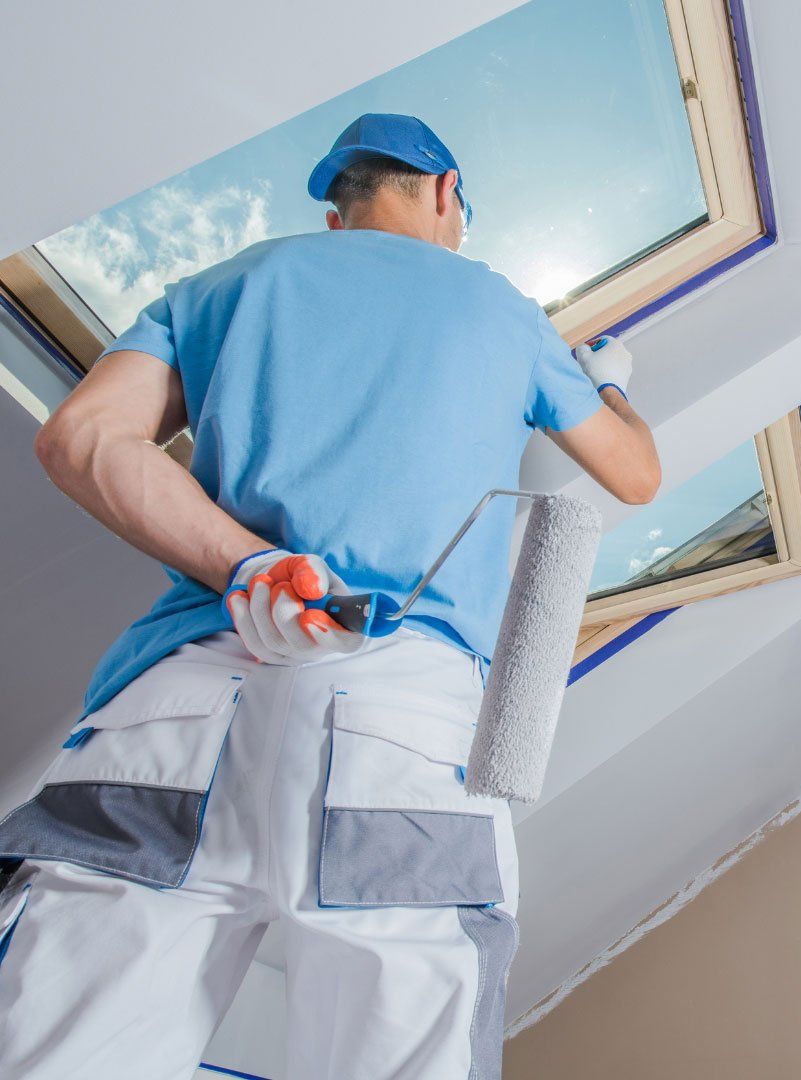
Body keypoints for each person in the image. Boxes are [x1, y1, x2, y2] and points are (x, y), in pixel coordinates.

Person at [0, 113, 660, 1079]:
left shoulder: (225, 284)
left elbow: (82, 440)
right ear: (444, 189)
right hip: (397, 728)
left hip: (175, 713)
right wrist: (607, 385)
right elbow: (634, 473)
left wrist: (248, 566)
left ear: (337, 211)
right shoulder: (499, 310)